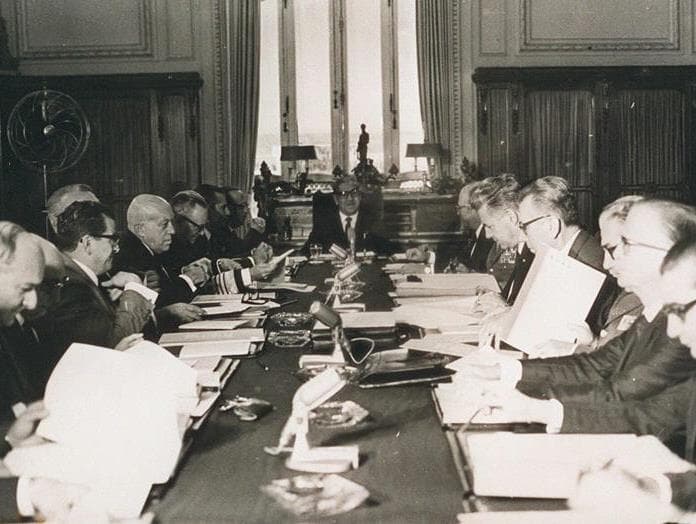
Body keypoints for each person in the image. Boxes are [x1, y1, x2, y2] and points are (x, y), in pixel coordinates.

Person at [466, 199, 696, 434]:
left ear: (671, 251)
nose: (607, 262)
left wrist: (530, 405)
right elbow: (597, 365)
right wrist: (506, 371)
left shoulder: (683, 324)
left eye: (625, 244)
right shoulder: (657, 313)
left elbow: (621, 397)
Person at [32, 201, 156, 361]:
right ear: (87, 243)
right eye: (112, 239)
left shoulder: (78, 277)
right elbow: (115, 344)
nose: (116, 248)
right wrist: (135, 288)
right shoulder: (73, 288)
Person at [111, 194, 206, 325]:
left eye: (171, 223)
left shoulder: (148, 249)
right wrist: (189, 279)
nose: (172, 231)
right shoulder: (130, 256)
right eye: (164, 224)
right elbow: (162, 302)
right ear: (140, 229)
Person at [469, 173, 533, 306]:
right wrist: (499, 297)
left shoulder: (534, 252)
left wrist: (504, 307)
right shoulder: (522, 249)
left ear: (511, 217)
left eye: (489, 226)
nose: (487, 235)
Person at [304, 174, 397, 256]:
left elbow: (389, 251)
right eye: (344, 194)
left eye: (354, 193)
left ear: (360, 197)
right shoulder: (324, 223)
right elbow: (306, 251)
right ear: (336, 199)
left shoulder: (372, 220)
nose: (350, 199)